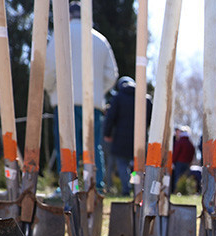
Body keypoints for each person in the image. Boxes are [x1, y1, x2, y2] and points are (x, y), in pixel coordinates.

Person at [45, 1, 118, 193]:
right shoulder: (100, 40)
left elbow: (49, 70)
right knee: (92, 146)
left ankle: (69, 187)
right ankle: (96, 186)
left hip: (65, 102)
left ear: (68, 16)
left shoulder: (60, 36)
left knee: (66, 146)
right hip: (92, 103)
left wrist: (52, 90)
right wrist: (97, 90)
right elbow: (112, 74)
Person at [102, 76, 152, 196]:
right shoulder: (145, 98)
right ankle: (137, 188)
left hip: (121, 138)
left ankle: (126, 189)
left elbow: (110, 117)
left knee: (122, 164)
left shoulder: (118, 98)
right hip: (140, 137)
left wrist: (107, 133)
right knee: (137, 164)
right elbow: (150, 118)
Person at [171, 126, 195, 193]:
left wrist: (173, 161)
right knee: (186, 177)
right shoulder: (190, 143)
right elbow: (192, 153)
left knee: (178, 177)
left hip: (179, 163)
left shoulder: (180, 142)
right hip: (187, 163)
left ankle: (177, 191)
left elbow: (176, 152)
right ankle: (184, 191)